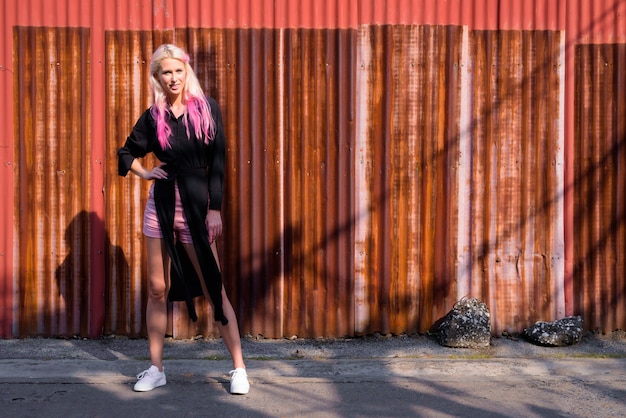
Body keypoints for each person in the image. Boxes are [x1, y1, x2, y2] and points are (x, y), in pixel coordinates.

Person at [117, 44, 249, 395]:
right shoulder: (154, 116)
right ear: (157, 77)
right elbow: (126, 152)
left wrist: (215, 208)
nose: (173, 78)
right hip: (158, 207)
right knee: (157, 288)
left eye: (178, 71)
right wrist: (145, 173)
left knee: (213, 286)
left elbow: (217, 164)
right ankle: (156, 368)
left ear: (186, 72)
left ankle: (238, 368)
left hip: (195, 208)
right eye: (166, 73)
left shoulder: (206, 110)